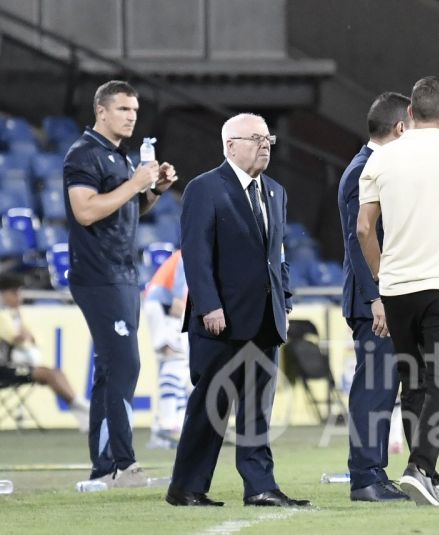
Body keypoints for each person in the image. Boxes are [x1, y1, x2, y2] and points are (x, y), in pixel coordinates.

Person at [167, 113, 309, 508]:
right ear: (230, 145)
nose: (265, 144)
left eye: (268, 139)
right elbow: (195, 254)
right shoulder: (204, 188)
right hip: (220, 321)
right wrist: (209, 306)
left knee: (257, 409)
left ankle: (260, 486)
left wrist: (284, 298)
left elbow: (276, 255)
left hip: (265, 319)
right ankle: (186, 487)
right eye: (255, 138)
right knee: (211, 406)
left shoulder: (275, 191)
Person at [357, 76, 439, 506]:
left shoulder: (382, 159)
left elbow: (363, 227)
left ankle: (426, 474)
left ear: (409, 114)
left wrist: (380, 274)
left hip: (398, 289)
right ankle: (421, 467)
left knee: (413, 383)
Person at [64, 80, 177, 487]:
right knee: (124, 364)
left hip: (123, 275)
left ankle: (107, 466)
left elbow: (124, 208)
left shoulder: (119, 156)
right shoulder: (84, 154)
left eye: (134, 109)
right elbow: (85, 211)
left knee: (112, 369)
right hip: (99, 275)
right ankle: (120, 466)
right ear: (102, 112)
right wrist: (134, 183)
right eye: (124, 109)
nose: (131, 116)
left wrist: (155, 192)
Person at [337, 92, 411, 502]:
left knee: (384, 387)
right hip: (373, 303)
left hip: (384, 297)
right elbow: (357, 240)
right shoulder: (362, 172)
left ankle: (374, 472)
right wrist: (376, 297)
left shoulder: (374, 168)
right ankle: (364, 477)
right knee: (374, 387)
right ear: (401, 128)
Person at [0, 272, 89, 431]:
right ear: (3, 295)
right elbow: (16, 337)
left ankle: (80, 408)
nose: (18, 297)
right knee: (48, 374)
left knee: (55, 372)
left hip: (12, 366)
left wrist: (26, 335)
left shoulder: (15, 315)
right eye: (14, 293)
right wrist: (25, 336)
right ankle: (81, 408)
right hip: (4, 369)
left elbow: (33, 338)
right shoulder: (3, 316)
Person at [142, 250, 191, 449]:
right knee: (176, 361)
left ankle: (169, 427)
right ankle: (169, 425)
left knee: (174, 367)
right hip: (165, 306)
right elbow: (179, 299)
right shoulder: (191, 251)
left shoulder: (186, 251)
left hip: (157, 304)